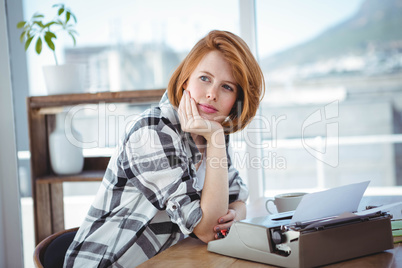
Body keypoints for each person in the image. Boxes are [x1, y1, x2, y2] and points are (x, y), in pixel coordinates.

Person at [63, 30, 265, 267]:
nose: (212, 94)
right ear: (185, 80)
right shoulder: (154, 130)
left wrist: (237, 214)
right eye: (205, 78)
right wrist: (217, 139)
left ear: (236, 102)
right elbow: (208, 230)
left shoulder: (211, 131)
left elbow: (237, 198)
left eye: (227, 87)